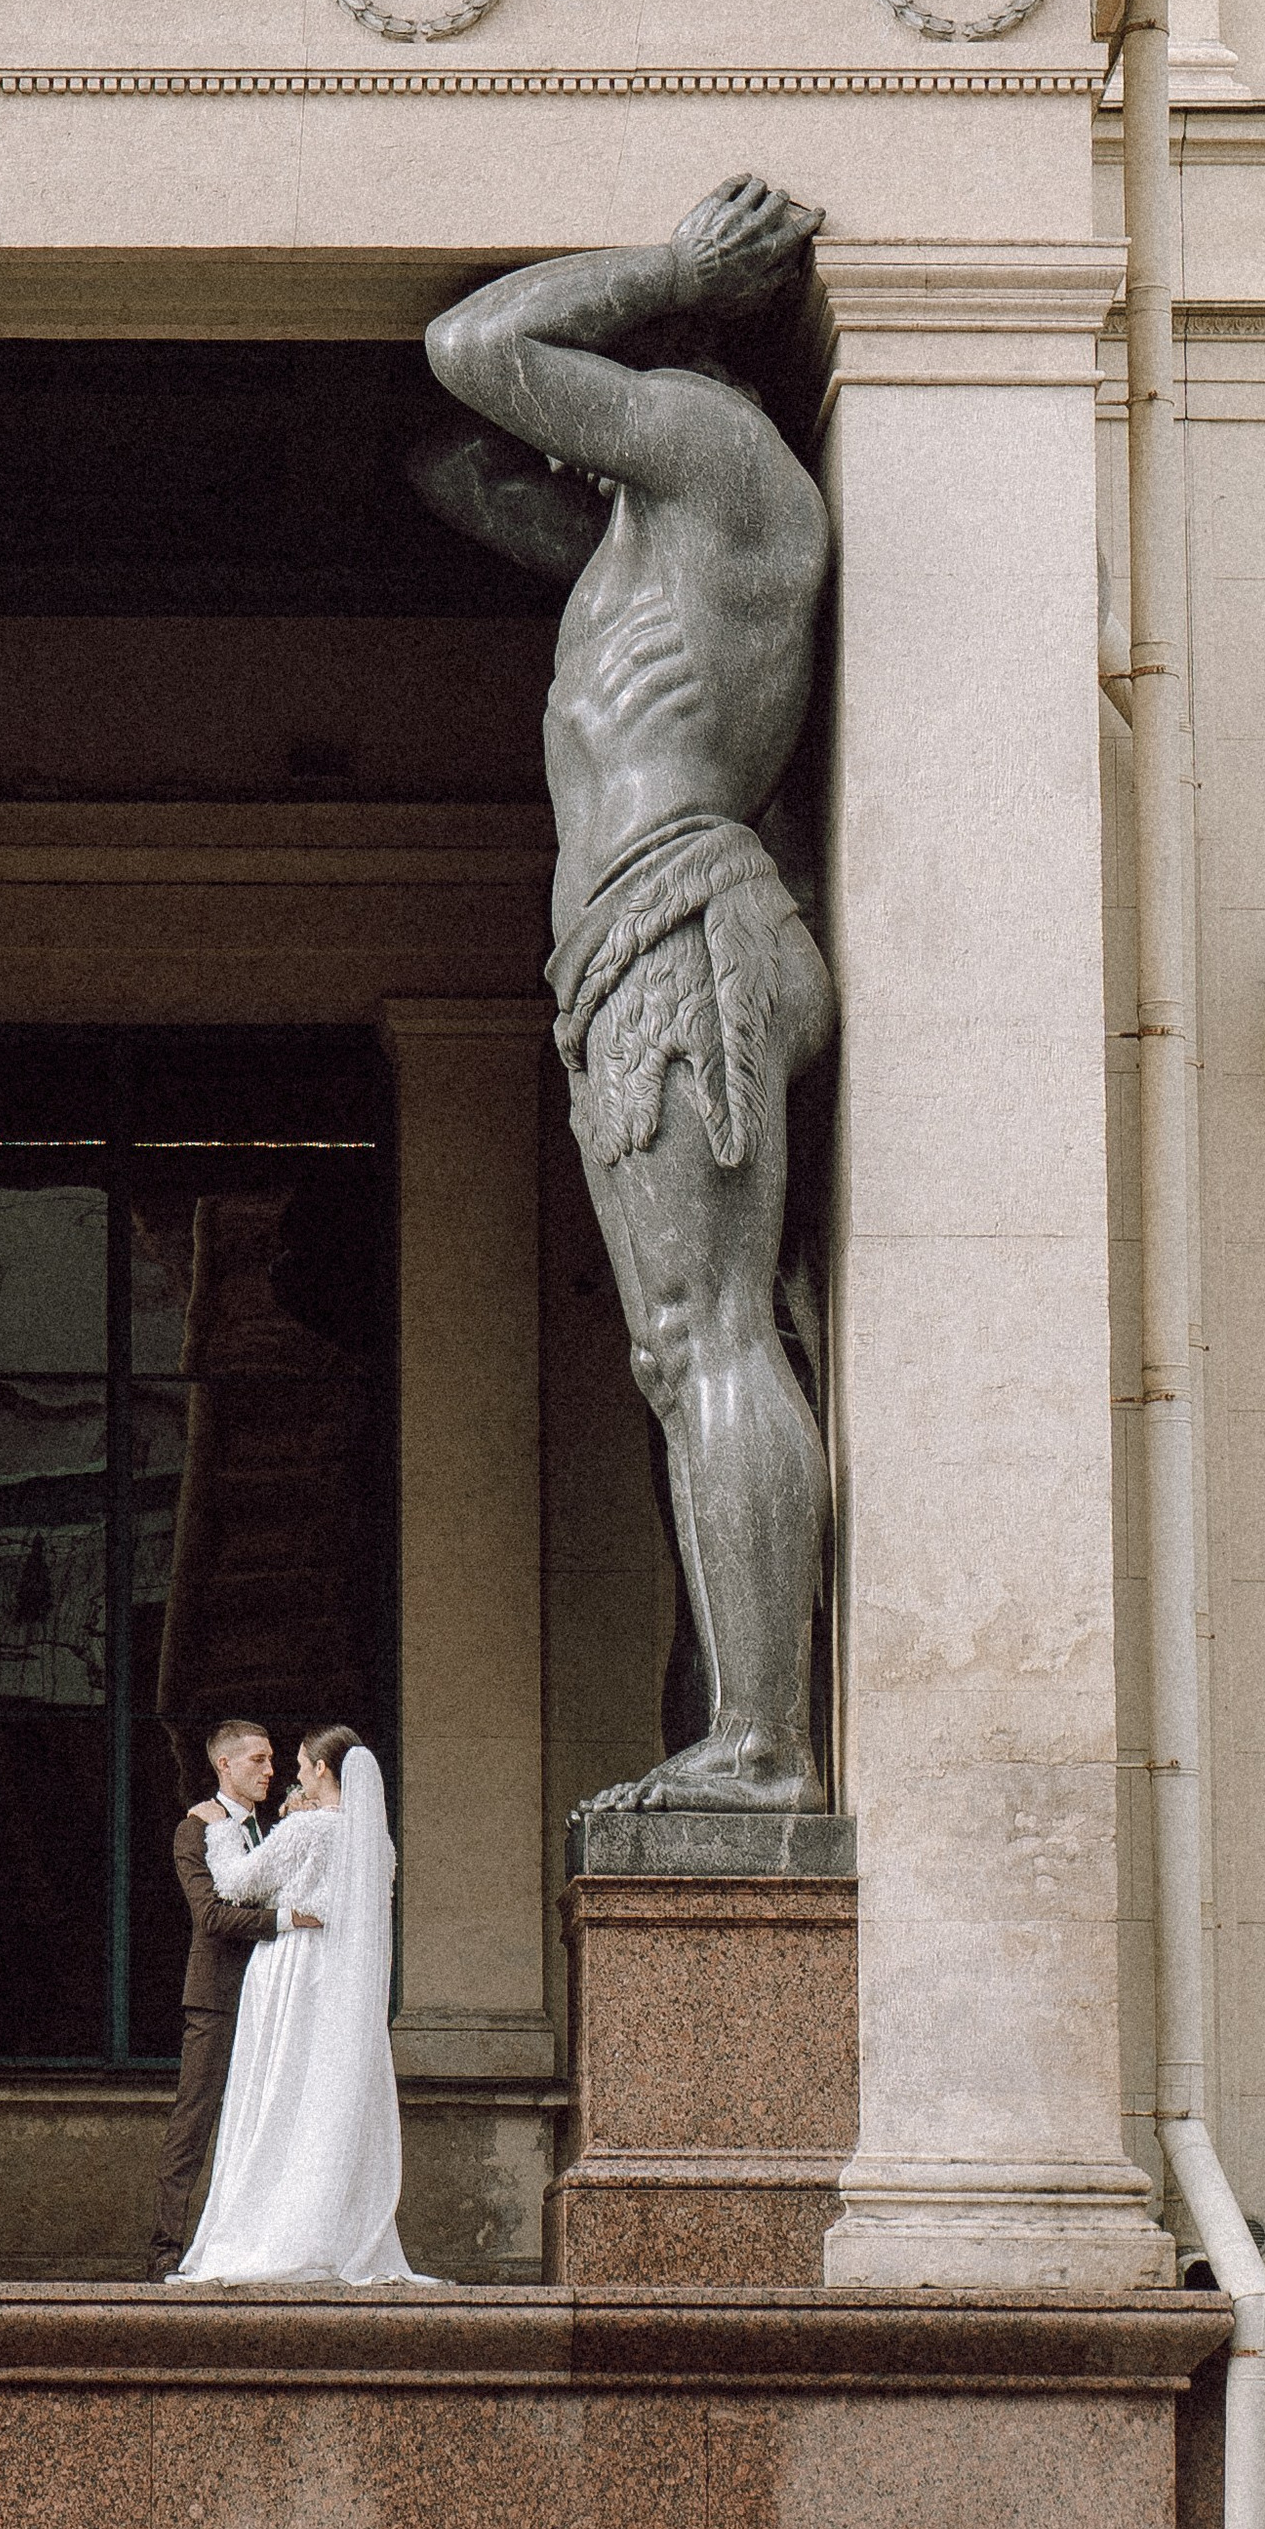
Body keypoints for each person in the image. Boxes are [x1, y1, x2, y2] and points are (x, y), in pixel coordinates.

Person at [417, 178, 837, 1814]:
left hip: (679, 924)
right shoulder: (649, 529)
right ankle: (739, 1720)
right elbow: (448, 462)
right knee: (691, 1350)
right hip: (635, 946)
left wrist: (670, 270)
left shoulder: (725, 463)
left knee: (704, 1333)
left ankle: (762, 1745)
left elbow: (473, 348)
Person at [173, 1727, 420, 2284]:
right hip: (342, 1984)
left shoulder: (306, 1829)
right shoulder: (376, 1843)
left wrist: (218, 1834)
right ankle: (330, 2230)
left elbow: (235, 1884)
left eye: (304, 1766)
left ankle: (266, 2227)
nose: (294, 1775)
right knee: (320, 2100)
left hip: (293, 1975)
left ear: (326, 1772)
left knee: (275, 2095)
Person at [149, 1717, 321, 2274]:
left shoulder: (268, 1830)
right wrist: (285, 1919)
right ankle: (164, 2252)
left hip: (272, 1992)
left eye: (274, 1761)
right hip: (217, 1996)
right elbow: (212, 1915)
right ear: (224, 1764)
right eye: (258, 1760)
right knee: (194, 2121)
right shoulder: (195, 1829)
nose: (271, 1771)